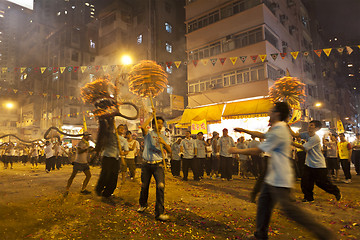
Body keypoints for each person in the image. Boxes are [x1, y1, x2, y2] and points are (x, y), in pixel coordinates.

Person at [229, 102, 336, 240]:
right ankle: (260, 235)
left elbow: (258, 150)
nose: (269, 113)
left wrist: (237, 150)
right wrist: (245, 130)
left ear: (277, 114)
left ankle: (324, 234)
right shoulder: (277, 129)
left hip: (279, 177)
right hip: (273, 175)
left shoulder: (279, 130)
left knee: (289, 210)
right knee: (263, 203)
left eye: (272, 111)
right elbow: (262, 136)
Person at [289, 120, 341, 202]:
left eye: (312, 125)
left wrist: (290, 142)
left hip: (318, 164)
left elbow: (303, 147)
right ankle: (308, 197)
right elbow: (295, 134)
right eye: (309, 125)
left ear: (317, 128)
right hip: (309, 163)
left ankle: (335, 191)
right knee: (305, 182)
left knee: (322, 183)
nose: (309, 126)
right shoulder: (306, 134)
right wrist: (287, 126)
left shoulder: (315, 138)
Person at [137, 115, 171, 221]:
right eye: (157, 122)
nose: (160, 125)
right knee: (144, 186)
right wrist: (151, 115)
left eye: (161, 123)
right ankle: (143, 204)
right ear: (153, 125)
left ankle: (159, 212)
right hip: (146, 164)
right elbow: (143, 127)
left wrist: (164, 143)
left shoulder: (164, 136)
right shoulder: (148, 134)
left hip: (158, 165)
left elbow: (169, 150)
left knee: (160, 186)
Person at [95, 119, 129, 204]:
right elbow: (105, 132)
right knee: (105, 174)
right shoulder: (112, 135)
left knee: (114, 176)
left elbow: (127, 151)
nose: (121, 129)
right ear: (117, 129)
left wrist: (123, 152)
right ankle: (99, 190)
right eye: (120, 128)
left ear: (124, 131)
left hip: (116, 159)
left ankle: (107, 193)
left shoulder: (124, 140)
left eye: (123, 128)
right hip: (107, 157)